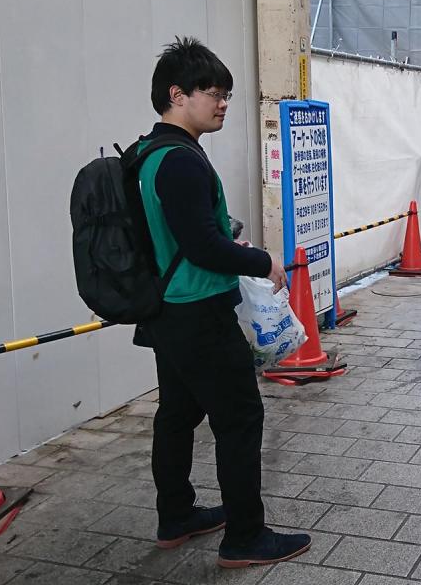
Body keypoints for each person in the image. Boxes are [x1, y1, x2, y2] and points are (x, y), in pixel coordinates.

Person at [138, 37, 310, 568]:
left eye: (228, 95)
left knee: (178, 413)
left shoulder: (148, 154)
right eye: (214, 93)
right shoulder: (181, 162)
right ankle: (245, 538)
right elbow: (202, 247)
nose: (224, 104)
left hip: (167, 311)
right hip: (198, 313)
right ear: (176, 94)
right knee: (239, 418)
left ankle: (177, 515)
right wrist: (262, 262)